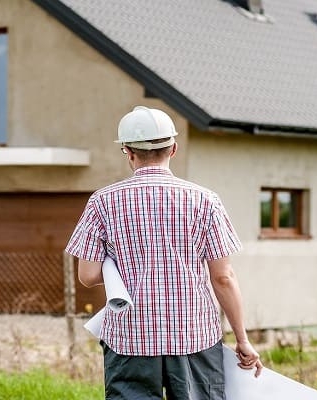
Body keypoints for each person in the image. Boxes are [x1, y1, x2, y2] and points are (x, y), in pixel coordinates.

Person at [66, 106, 262, 399]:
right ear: (173, 148)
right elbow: (223, 277)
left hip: (129, 339)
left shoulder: (102, 202)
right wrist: (242, 339)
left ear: (128, 152)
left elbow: (88, 275)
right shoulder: (205, 201)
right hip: (194, 336)